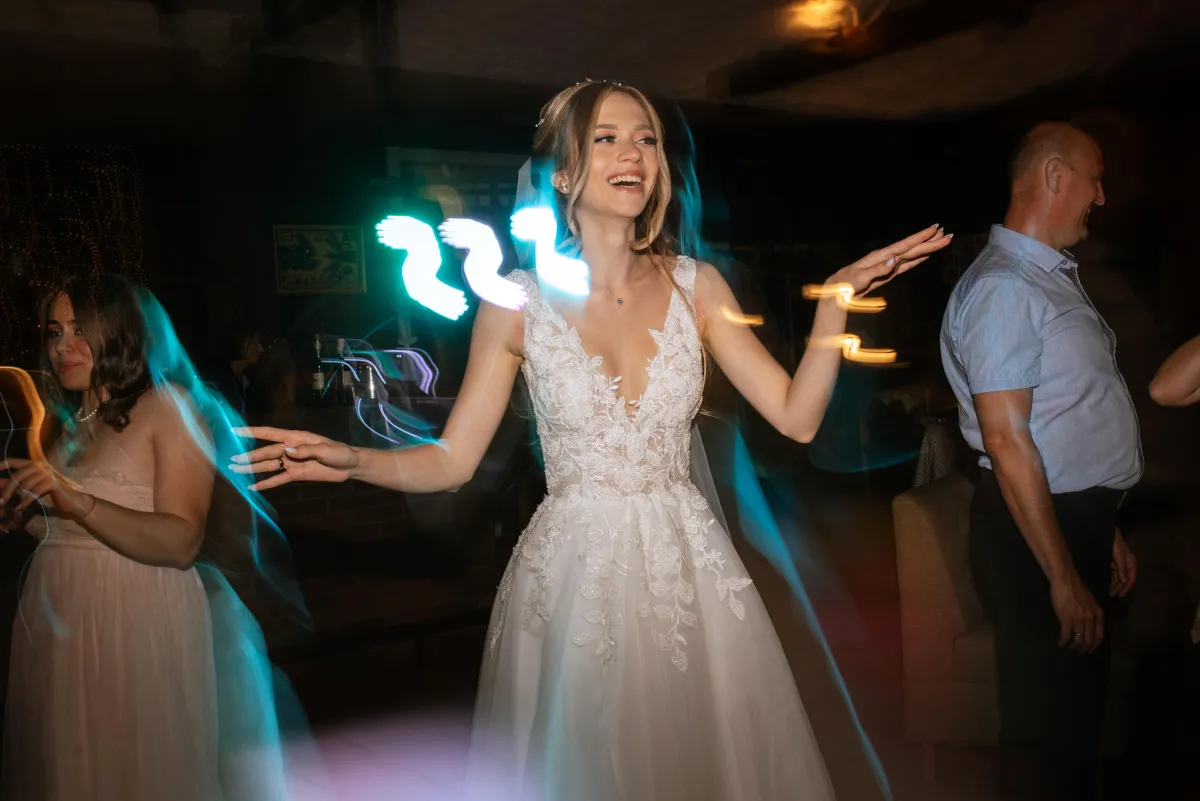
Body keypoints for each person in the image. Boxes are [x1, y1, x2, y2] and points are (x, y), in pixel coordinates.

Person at [232, 80, 949, 801]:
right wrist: (353, 458)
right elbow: (452, 462)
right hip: (574, 582)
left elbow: (796, 416)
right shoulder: (515, 302)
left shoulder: (700, 288)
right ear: (565, 172)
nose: (632, 152)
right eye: (606, 137)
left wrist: (836, 304)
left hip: (690, 577)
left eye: (645, 138)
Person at [0, 273, 299, 801]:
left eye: (79, 329)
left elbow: (181, 540)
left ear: (119, 333)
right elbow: (78, 529)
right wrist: (23, 514)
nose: (62, 346)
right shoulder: (70, 425)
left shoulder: (168, 407)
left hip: (134, 614)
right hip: (63, 620)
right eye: (53, 332)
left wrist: (73, 499)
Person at [940, 122, 1141, 800]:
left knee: (1073, 723)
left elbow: (1059, 418)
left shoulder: (1038, 277)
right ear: (1055, 177)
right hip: (1033, 534)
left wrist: (1102, 522)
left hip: (1065, 515)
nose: (1101, 196)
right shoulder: (1005, 288)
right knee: (1046, 734)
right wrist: (1061, 572)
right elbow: (1007, 438)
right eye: (1094, 178)